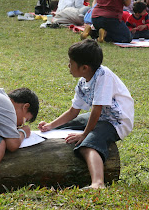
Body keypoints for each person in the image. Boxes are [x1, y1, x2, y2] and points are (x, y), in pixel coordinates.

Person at [38, 40, 134, 189]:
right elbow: (73, 111)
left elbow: (96, 110)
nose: (68, 66)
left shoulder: (104, 76)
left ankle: (98, 183)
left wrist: (84, 134)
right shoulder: (83, 82)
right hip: (101, 117)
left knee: (87, 145)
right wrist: (51, 125)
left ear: (84, 67)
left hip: (115, 122)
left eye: (71, 63)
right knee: (63, 128)